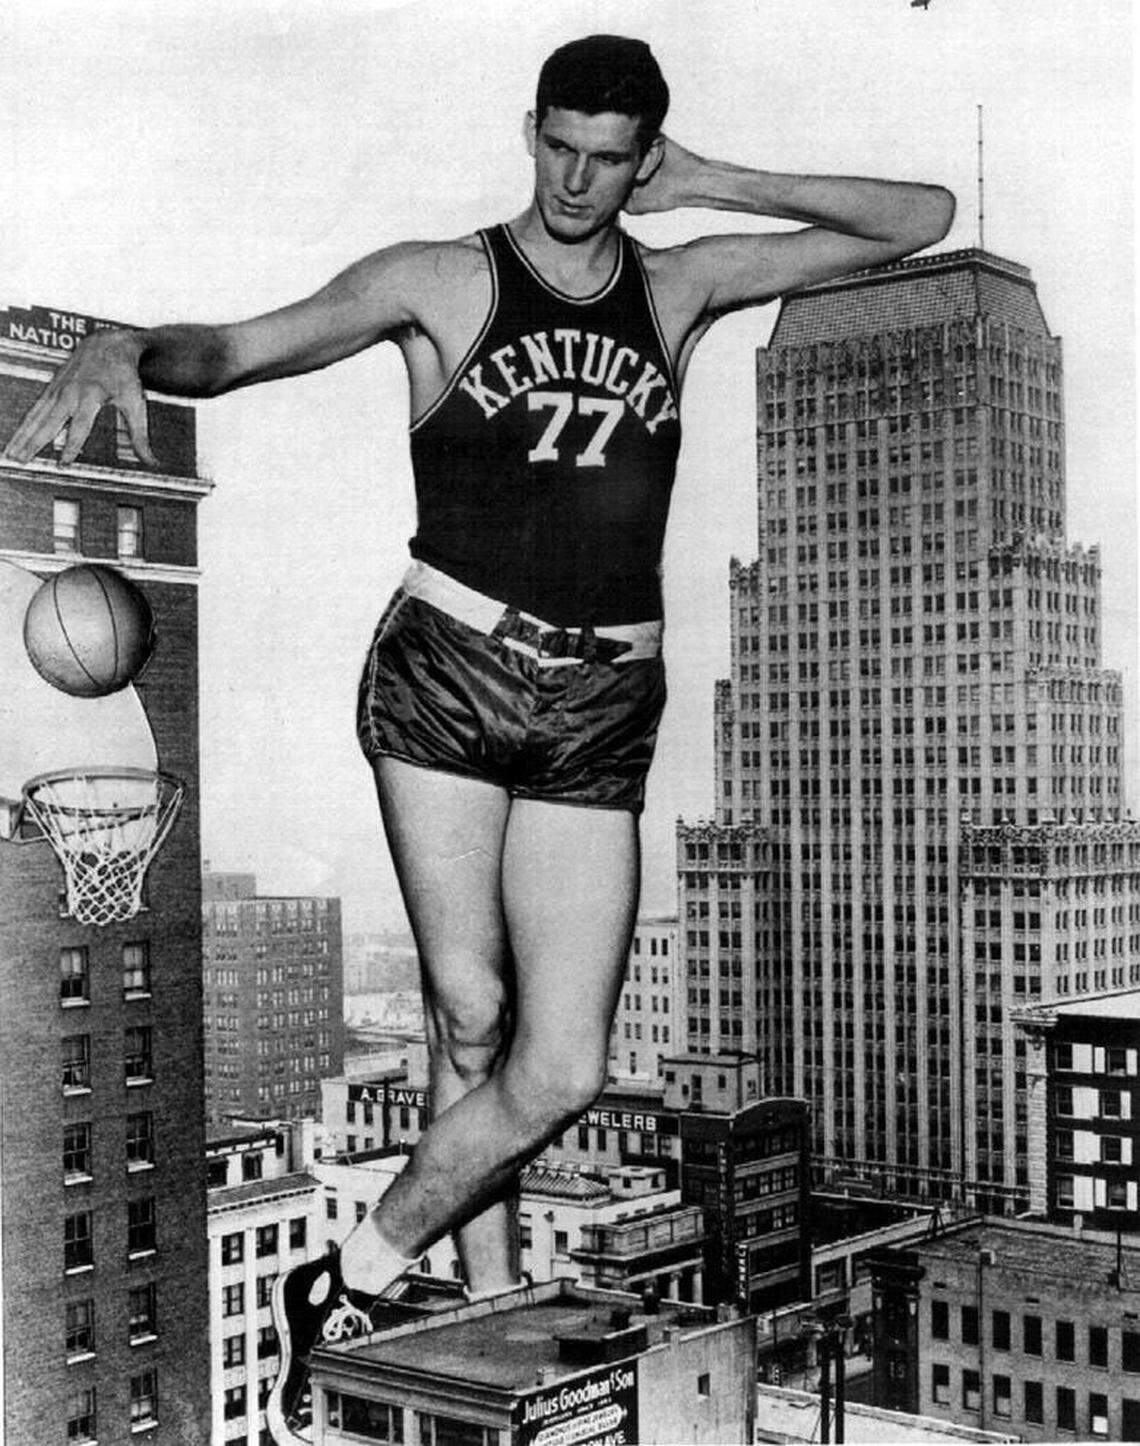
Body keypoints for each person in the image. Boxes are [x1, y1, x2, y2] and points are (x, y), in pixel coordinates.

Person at [3, 34, 953, 1443]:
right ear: (531, 132)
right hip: (448, 671)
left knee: (561, 1065)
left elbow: (923, 219)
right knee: (467, 1014)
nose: (577, 180)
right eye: (558, 146)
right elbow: (242, 349)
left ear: (643, 155)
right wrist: (130, 342)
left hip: (602, 706)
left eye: (610, 155)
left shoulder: (680, 284)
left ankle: (360, 1264)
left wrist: (708, 180)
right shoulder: (440, 281)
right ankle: (480, 1291)